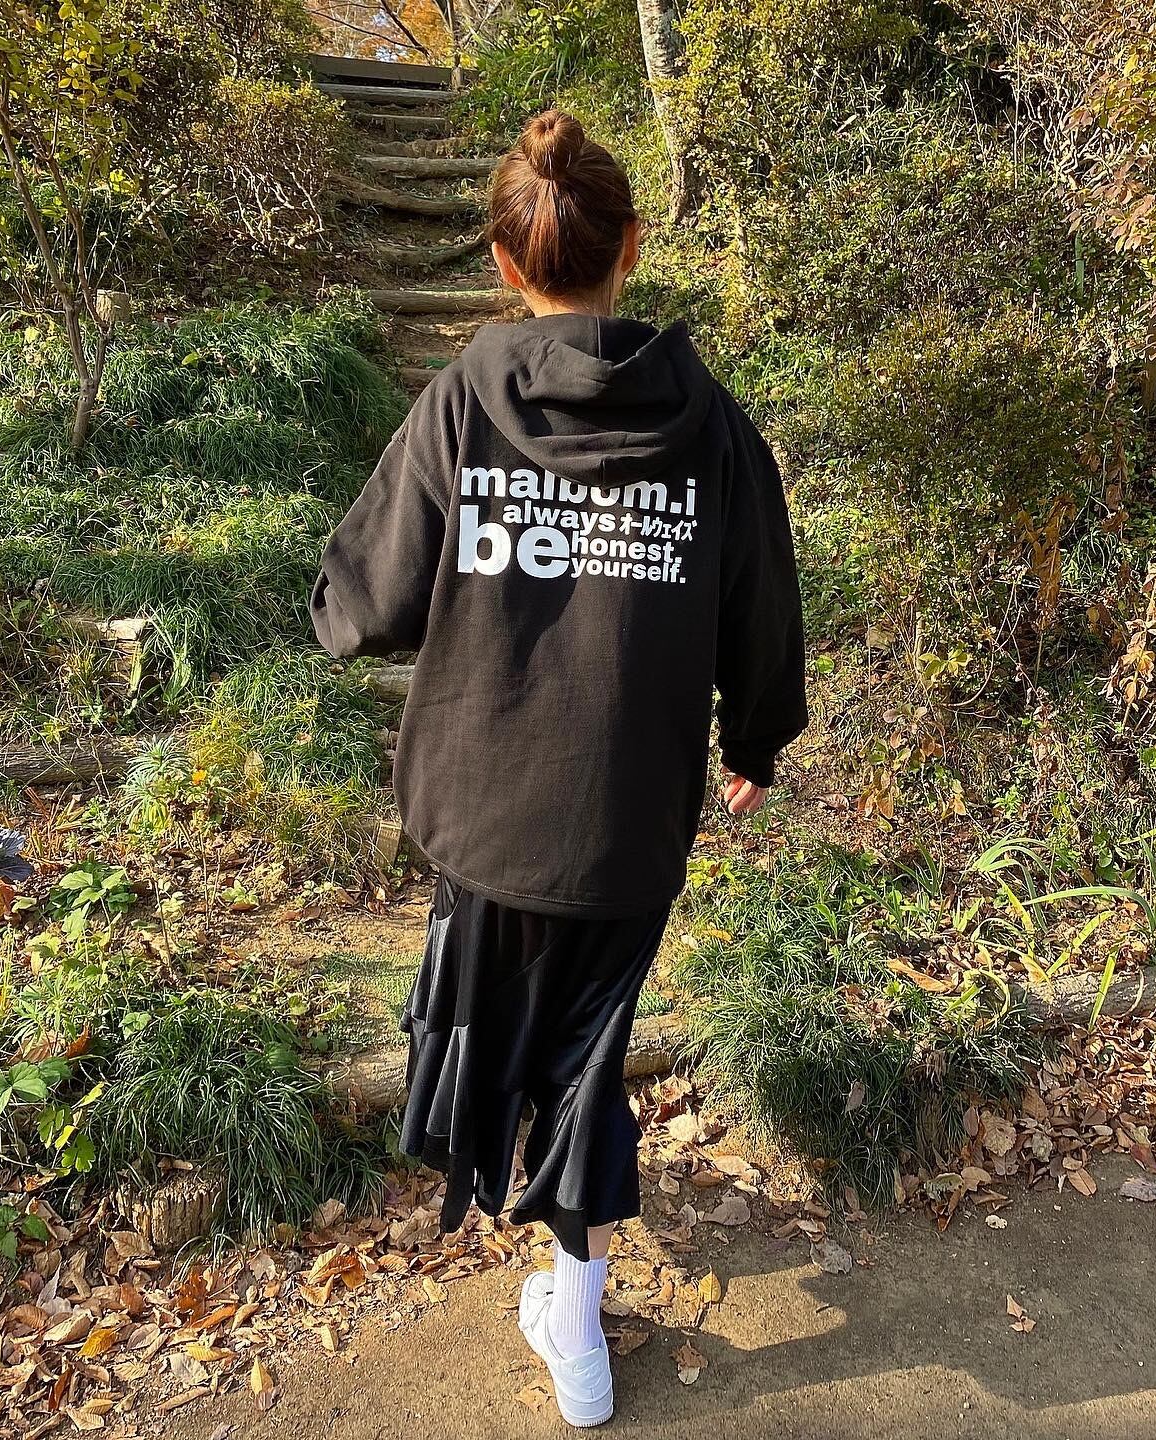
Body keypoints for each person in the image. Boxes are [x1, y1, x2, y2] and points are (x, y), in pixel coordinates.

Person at [310, 107, 806, 1428]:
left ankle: (566, 1312)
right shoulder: (712, 425)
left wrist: (360, 604)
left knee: (505, 1043)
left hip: (483, 809)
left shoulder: (463, 399)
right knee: (588, 1057)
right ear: (631, 246)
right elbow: (761, 605)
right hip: (630, 813)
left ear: (503, 262)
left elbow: (366, 604)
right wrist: (756, 739)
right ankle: (574, 1315)